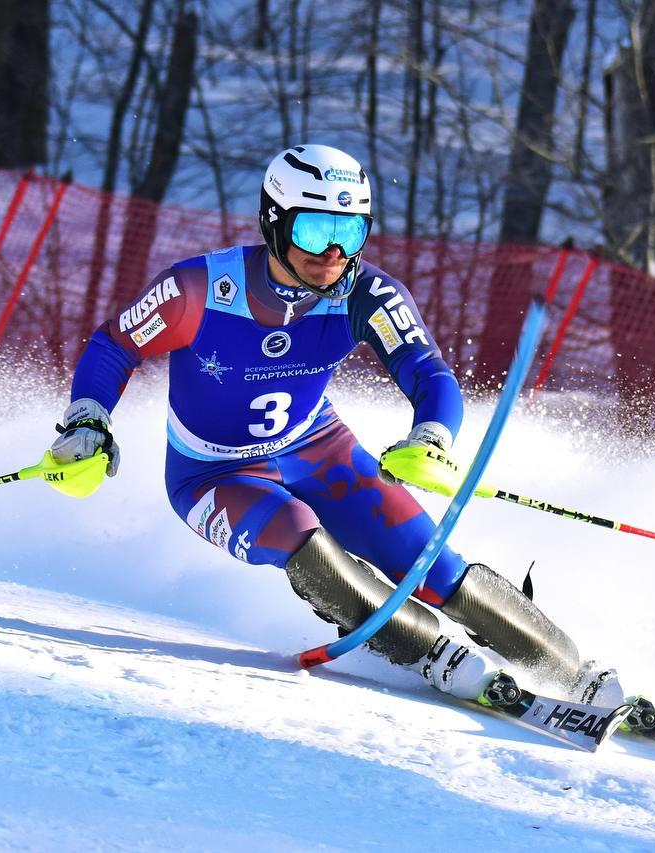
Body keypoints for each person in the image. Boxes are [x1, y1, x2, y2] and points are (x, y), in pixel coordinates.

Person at [50, 144, 620, 708]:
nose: (332, 253)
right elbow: (115, 345)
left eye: (350, 233)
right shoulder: (198, 290)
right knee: (299, 532)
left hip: (320, 451)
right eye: (315, 230)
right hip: (212, 474)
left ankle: (568, 672)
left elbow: (426, 370)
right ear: (274, 222)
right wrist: (88, 420)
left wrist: (432, 437)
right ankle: (426, 652)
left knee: (432, 567)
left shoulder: (366, 293)